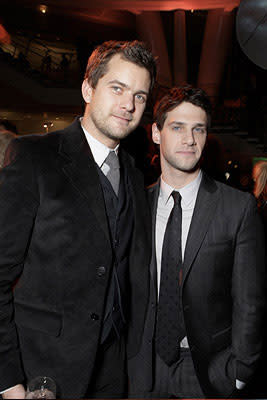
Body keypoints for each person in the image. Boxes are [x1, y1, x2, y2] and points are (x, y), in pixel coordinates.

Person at [0, 40, 157, 399]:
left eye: (140, 96)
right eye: (117, 88)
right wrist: (9, 383)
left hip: (112, 374)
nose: (128, 105)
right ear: (88, 88)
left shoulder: (133, 174)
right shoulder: (35, 157)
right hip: (42, 373)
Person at [128, 86, 265, 398]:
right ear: (156, 133)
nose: (189, 140)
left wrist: (239, 371)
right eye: (177, 127)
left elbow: (251, 300)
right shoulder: (136, 205)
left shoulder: (237, 208)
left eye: (198, 129)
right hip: (142, 368)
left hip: (208, 370)